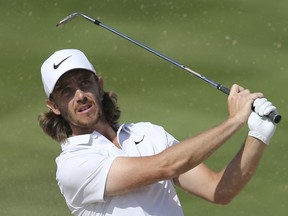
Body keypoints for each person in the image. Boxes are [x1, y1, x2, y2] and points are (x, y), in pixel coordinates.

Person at [38, 49, 277, 216]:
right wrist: (234, 121)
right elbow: (164, 167)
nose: (79, 95)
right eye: (66, 91)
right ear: (54, 107)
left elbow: (219, 190)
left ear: (99, 86)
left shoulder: (148, 134)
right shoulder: (73, 164)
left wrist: (257, 135)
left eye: (84, 83)